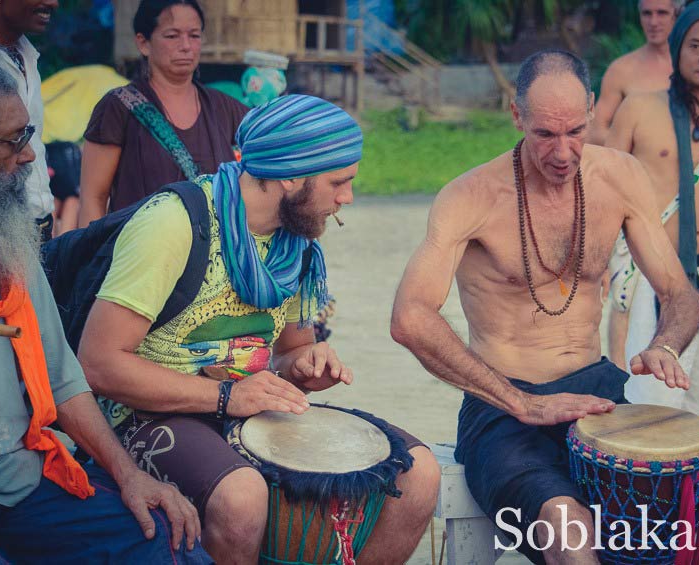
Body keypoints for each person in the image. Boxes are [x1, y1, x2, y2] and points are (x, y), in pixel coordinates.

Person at [391, 48, 699, 564]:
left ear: (591, 108)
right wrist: (524, 404)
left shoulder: (620, 177)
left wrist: (665, 344)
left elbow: (682, 294)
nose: (563, 152)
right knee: (567, 525)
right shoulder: (470, 197)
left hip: (597, 394)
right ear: (516, 116)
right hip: (502, 410)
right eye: (544, 134)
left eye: (576, 132)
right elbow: (410, 318)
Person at [77, 94, 440, 565]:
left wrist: (305, 365)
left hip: (246, 405)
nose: (347, 198)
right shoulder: (174, 223)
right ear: (289, 175)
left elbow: (290, 352)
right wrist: (228, 398)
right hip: (145, 412)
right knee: (241, 496)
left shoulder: (297, 241)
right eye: (339, 182)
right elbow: (98, 363)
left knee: (420, 474)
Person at [0, 63, 209, 564]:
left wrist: (128, 474)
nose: (29, 155)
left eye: (27, 134)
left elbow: (63, 379)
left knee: (171, 546)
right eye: (10, 142)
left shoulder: (10, 240)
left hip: (23, 482)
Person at [605, 0, 699, 430]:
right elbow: (603, 190)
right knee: (647, 405)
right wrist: (600, 264)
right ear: (677, 49)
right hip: (655, 274)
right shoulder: (638, 108)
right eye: (695, 45)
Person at [77, 0, 248, 227]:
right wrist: (93, 257)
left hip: (214, 258)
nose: (186, 46)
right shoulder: (118, 108)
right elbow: (93, 198)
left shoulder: (224, 107)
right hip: (142, 256)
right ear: (143, 43)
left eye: (194, 36)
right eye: (172, 36)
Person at [0, 0, 58, 241]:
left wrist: (47, 212)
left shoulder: (28, 56)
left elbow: (34, 150)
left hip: (39, 225)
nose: (53, 3)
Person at [589, 0, 682, 146]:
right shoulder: (621, 69)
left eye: (662, 13)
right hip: (637, 164)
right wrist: (638, 146)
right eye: (647, 13)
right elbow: (595, 130)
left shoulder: (696, 67)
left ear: (678, 14)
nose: (653, 22)